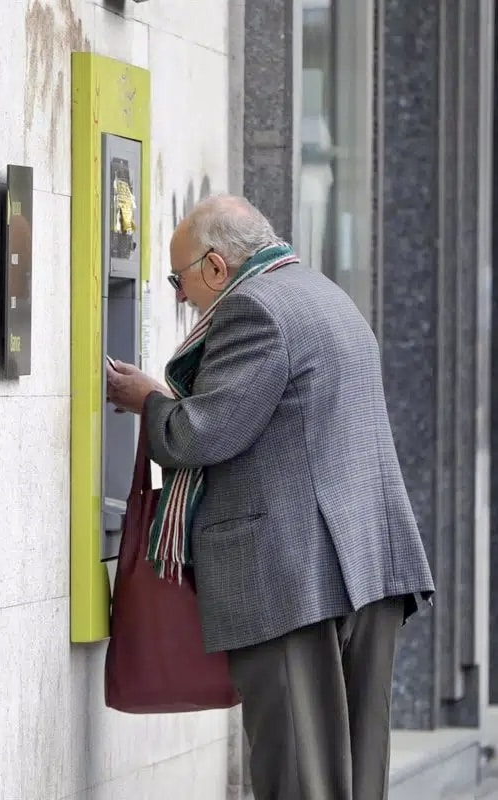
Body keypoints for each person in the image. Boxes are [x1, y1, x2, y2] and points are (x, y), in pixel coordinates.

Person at [105, 194, 435, 800]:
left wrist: (149, 401)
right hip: (364, 564)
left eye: (180, 280)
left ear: (214, 267)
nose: (181, 297)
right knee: (356, 779)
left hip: (293, 574)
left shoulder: (253, 310)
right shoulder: (322, 294)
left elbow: (201, 435)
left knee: (299, 775)